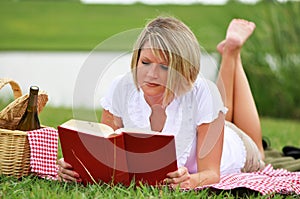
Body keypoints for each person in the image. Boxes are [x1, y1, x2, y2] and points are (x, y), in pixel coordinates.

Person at [58, 16, 265, 188]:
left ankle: (232, 53)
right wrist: (75, 167)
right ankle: (230, 52)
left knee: (255, 145)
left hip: (233, 145)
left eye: (164, 67)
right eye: (145, 62)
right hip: (207, 126)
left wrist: (189, 180)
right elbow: (105, 151)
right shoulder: (121, 88)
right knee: (221, 113)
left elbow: (211, 173)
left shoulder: (203, 92)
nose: (151, 74)